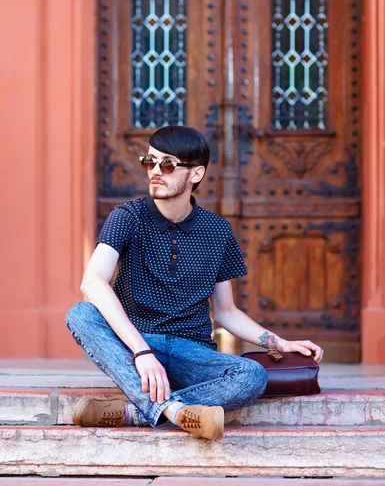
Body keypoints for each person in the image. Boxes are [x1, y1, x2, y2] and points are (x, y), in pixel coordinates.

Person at [66, 126, 323, 441]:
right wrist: (142, 352)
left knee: (251, 375)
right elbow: (93, 282)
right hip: (138, 344)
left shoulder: (217, 230)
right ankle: (174, 412)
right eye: (150, 161)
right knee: (81, 313)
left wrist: (280, 343)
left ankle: (135, 411)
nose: (155, 172)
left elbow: (226, 312)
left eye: (168, 165)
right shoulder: (127, 217)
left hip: (194, 351)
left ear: (196, 174)